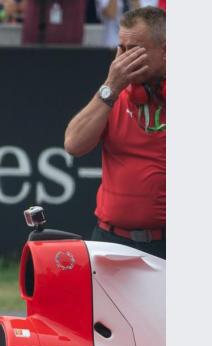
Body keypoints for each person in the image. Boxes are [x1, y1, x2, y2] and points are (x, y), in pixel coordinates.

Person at [64, 6, 165, 258]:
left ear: (165, 51)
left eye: (134, 51)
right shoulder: (113, 96)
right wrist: (110, 87)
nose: (122, 60)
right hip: (111, 240)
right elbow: (73, 144)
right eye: (121, 48)